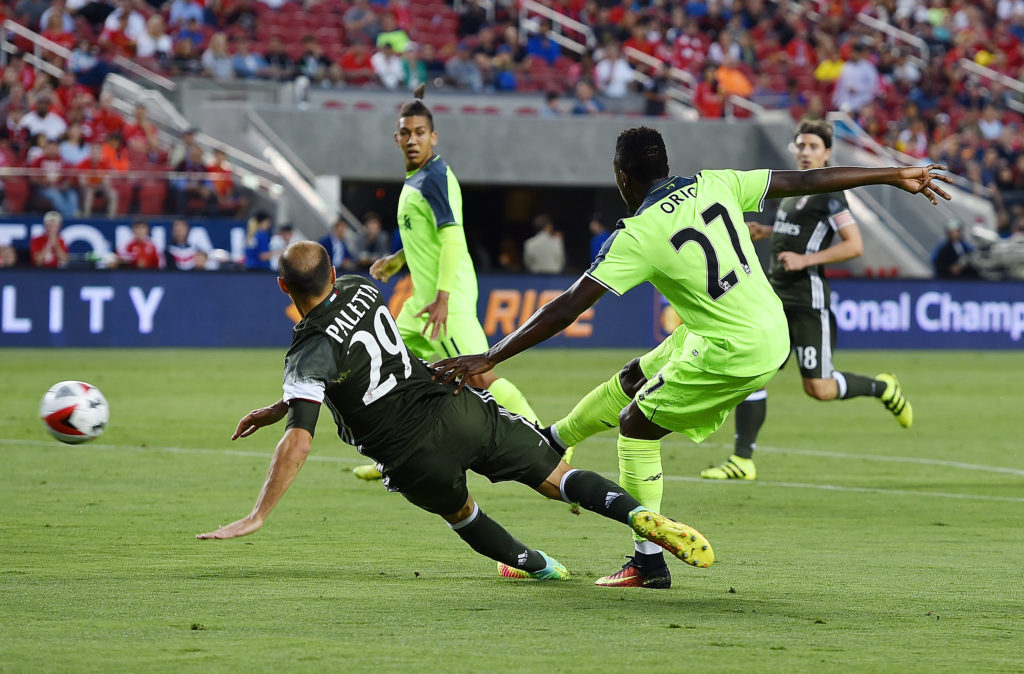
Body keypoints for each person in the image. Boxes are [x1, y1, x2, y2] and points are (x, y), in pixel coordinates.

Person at [433, 126, 952, 589]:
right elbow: (802, 180)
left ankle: (647, 562)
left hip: (734, 346)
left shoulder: (636, 235)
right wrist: (892, 173)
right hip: (761, 325)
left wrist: (490, 355)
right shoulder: (715, 182)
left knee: (636, 426)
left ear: (622, 176)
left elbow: (566, 307)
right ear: (665, 164)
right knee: (636, 376)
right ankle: (556, 439)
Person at [196, 241, 714, 582]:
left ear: (282, 287)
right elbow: (354, 356)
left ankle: (538, 566)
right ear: (332, 272)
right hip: (453, 404)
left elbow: (302, 437)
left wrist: (258, 513)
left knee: (461, 512)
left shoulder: (305, 351)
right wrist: (278, 404)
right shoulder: (360, 288)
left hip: (409, 455)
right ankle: (635, 515)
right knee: (557, 474)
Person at [703, 119, 916, 483]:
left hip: (807, 299)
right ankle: (743, 460)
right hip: (775, 296)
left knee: (819, 388)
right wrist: (765, 231)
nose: (804, 152)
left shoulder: (831, 194)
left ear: (827, 153)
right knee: (753, 373)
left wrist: (806, 261)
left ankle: (883, 387)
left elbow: (854, 245)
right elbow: (800, 233)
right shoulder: (792, 191)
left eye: (813, 146)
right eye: (800, 145)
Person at [359, 91, 543, 480]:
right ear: (397, 139)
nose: (412, 139)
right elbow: (425, 240)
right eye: (406, 133)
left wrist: (443, 299)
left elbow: (453, 238)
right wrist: (396, 261)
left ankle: (548, 445)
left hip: (447, 303)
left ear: (433, 137)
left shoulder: (436, 177)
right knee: (392, 370)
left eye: (420, 132)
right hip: (420, 305)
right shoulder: (417, 180)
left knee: (480, 377)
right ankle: (398, 454)